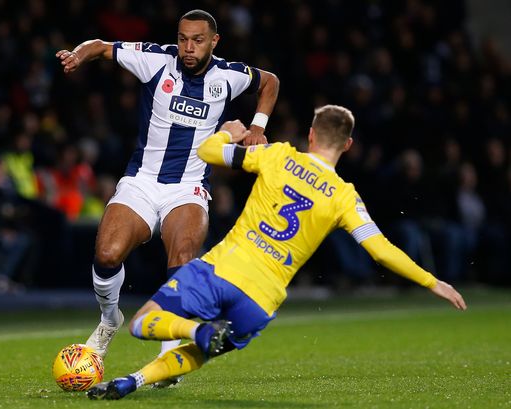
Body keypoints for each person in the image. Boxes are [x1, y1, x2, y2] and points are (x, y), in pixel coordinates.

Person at [86, 105, 467, 400]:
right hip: (262, 302)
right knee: (200, 353)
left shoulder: (279, 156)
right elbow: (381, 251)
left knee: (142, 323)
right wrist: (432, 282)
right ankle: (131, 382)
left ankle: (196, 329)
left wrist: (227, 133)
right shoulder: (345, 197)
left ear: (311, 134)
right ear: (348, 145)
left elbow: (206, 152)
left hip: (223, 271)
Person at [55, 9, 279, 363]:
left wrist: (259, 126)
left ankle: (169, 343)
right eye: (183, 39)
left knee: (184, 255)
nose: (188, 48)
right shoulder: (156, 60)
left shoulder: (229, 75)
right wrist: (78, 55)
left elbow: (270, 81)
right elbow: (99, 46)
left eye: (198, 40)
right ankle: (110, 319)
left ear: (214, 42)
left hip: (188, 187)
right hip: (142, 181)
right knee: (106, 255)